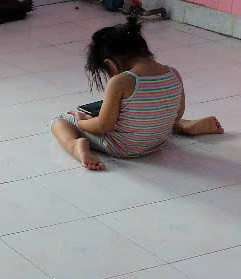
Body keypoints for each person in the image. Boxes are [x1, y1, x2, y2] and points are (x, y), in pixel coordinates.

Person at [50, 16, 224, 171]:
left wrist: (82, 121)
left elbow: (103, 126)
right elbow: (177, 113)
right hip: (158, 141)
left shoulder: (120, 82)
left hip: (123, 147)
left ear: (111, 65)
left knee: (61, 120)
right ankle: (184, 126)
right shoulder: (173, 73)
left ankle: (74, 146)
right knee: (156, 112)